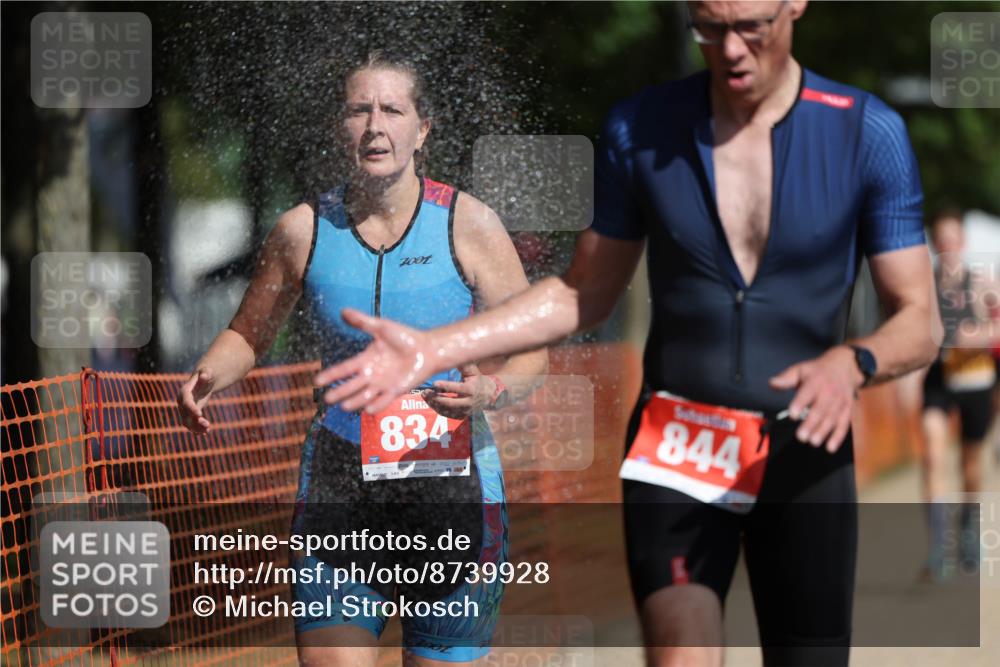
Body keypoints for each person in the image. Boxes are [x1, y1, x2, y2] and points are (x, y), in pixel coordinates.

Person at [315, 3, 941, 666]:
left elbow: (919, 319)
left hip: (804, 444)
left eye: (752, 26)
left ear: (795, 6)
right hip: (679, 439)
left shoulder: (866, 133)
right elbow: (584, 291)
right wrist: (437, 346)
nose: (731, 49)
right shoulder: (642, 128)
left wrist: (852, 362)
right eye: (710, 27)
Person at [176, 50, 547, 667]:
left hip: (452, 491)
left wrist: (493, 391)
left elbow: (531, 349)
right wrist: (208, 375)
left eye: (393, 109)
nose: (375, 124)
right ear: (340, 128)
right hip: (339, 486)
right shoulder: (301, 230)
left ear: (421, 129)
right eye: (359, 110)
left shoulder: (469, 224)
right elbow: (248, 332)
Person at [921, 209, 999, 580]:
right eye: (942, 240)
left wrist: (978, 337)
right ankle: (940, 547)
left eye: (954, 240)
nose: (948, 246)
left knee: (970, 464)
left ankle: (968, 530)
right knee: (933, 452)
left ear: (963, 244)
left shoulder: (981, 282)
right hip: (939, 377)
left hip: (976, 379)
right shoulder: (924, 286)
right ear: (935, 244)